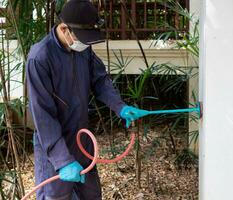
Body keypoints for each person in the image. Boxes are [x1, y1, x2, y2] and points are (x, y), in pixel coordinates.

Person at [26, 0, 145, 199]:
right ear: (64, 28)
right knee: (56, 196)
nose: (85, 43)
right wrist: (62, 160)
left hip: (82, 139)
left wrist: (119, 107)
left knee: (90, 195)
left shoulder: (83, 49)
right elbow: (43, 115)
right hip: (54, 147)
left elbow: (100, 80)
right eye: (82, 38)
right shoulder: (40, 58)